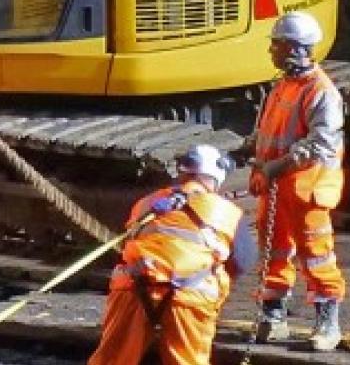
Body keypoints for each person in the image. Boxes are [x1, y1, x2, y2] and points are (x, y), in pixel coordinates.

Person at [87, 145, 244, 365]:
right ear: (216, 176)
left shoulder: (146, 203)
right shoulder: (227, 211)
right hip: (190, 297)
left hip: (133, 289)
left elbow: (129, 245)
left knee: (112, 360)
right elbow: (242, 262)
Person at [250, 11, 346, 351]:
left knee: (316, 254)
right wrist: (260, 168)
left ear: (296, 48)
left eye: (277, 44)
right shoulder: (283, 87)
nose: (272, 51)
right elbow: (267, 133)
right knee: (273, 251)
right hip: (278, 186)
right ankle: (273, 316)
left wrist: (279, 165)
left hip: (308, 187)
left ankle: (328, 322)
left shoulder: (321, 93)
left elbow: (321, 144)